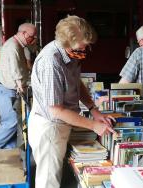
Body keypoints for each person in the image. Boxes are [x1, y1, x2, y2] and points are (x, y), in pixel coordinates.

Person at [28, 15, 115, 188]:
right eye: (83, 45)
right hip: (50, 127)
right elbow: (56, 110)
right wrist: (93, 126)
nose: (85, 49)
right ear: (66, 42)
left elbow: (76, 82)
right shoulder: (50, 61)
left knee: (57, 174)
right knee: (48, 181)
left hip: (61, 124)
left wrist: (93, 109)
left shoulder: (71, 53)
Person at [0, 23, 37, 150]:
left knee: (12, 122)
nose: (33, 40)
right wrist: (21, 85)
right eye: (32, 37)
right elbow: (15, 69)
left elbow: (23, 64)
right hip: (7, 90)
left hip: (11, 89)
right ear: (23, 33)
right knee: (11, 121)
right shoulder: (12, 46)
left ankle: (8, 148)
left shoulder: (20, 45)